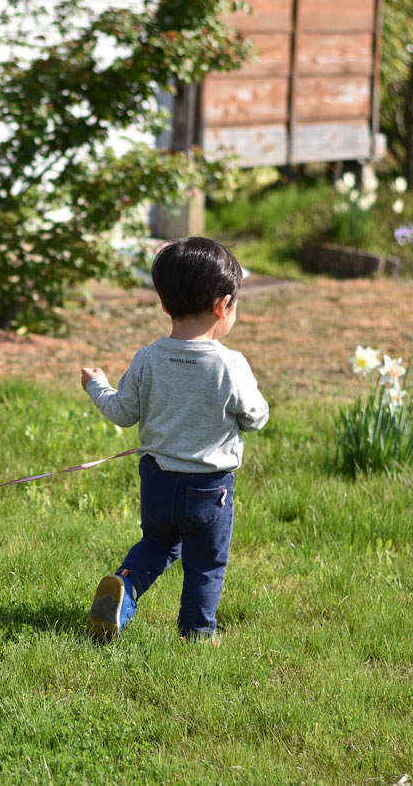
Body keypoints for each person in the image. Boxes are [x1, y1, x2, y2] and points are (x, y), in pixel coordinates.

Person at [81, 237, 269, 644]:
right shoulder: (230, 364)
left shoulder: (148, 357)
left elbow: (122, 413)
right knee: (205, 564)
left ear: (165, 305)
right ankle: (197, 634)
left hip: (157, 481)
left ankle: (124, 591)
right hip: (208, 489)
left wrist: (97, 386)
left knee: (157, 544)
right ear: (223, 305)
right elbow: (255, 418)